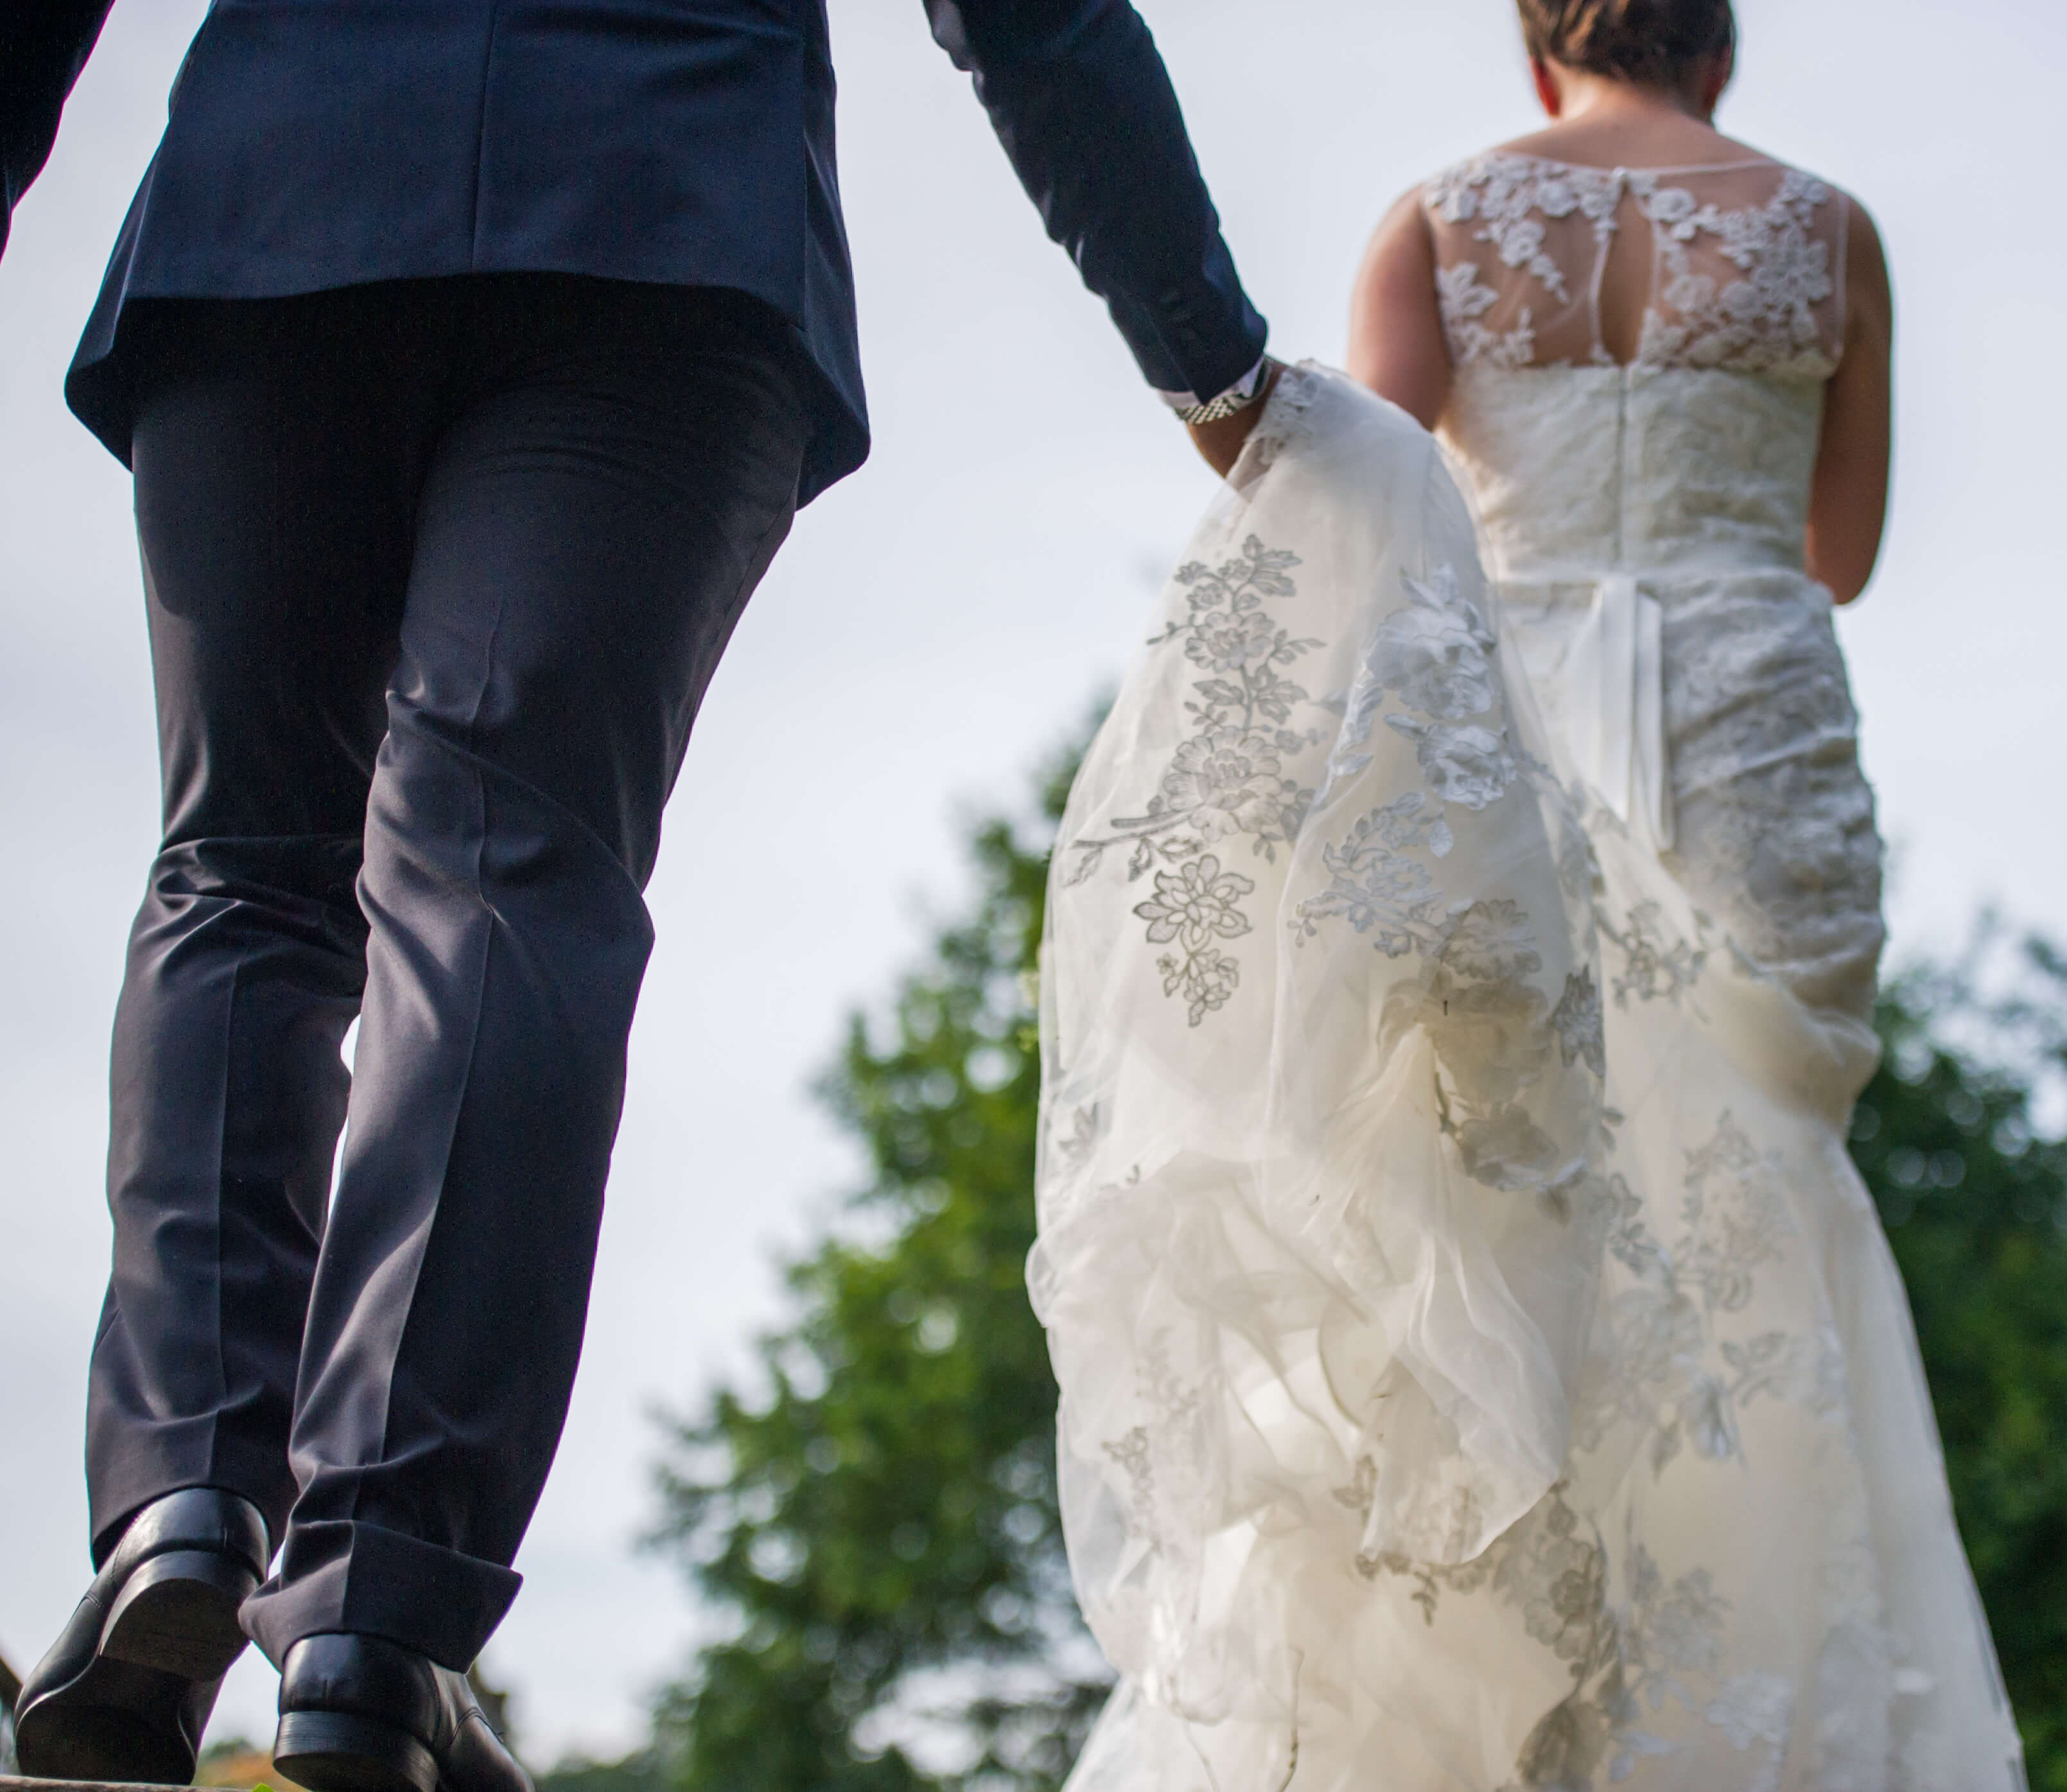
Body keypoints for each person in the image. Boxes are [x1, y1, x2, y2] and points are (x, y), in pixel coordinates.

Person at [0, 4, 1275, 1788]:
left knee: (241, 876)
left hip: (283, 201)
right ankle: (375, 1606)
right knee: (501, 882)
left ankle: (181, 1507)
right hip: (658, 219)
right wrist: (1205, 349)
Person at [1029, 0, 2028, 1784]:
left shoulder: (1437, 216)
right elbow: (1842, 551)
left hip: (1518, 727)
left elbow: (1358, 500)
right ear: (1716, 46)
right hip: (1751, 735)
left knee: (1491, 1185)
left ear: (1532, 47)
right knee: (1759, 1195)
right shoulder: (1824, 228)